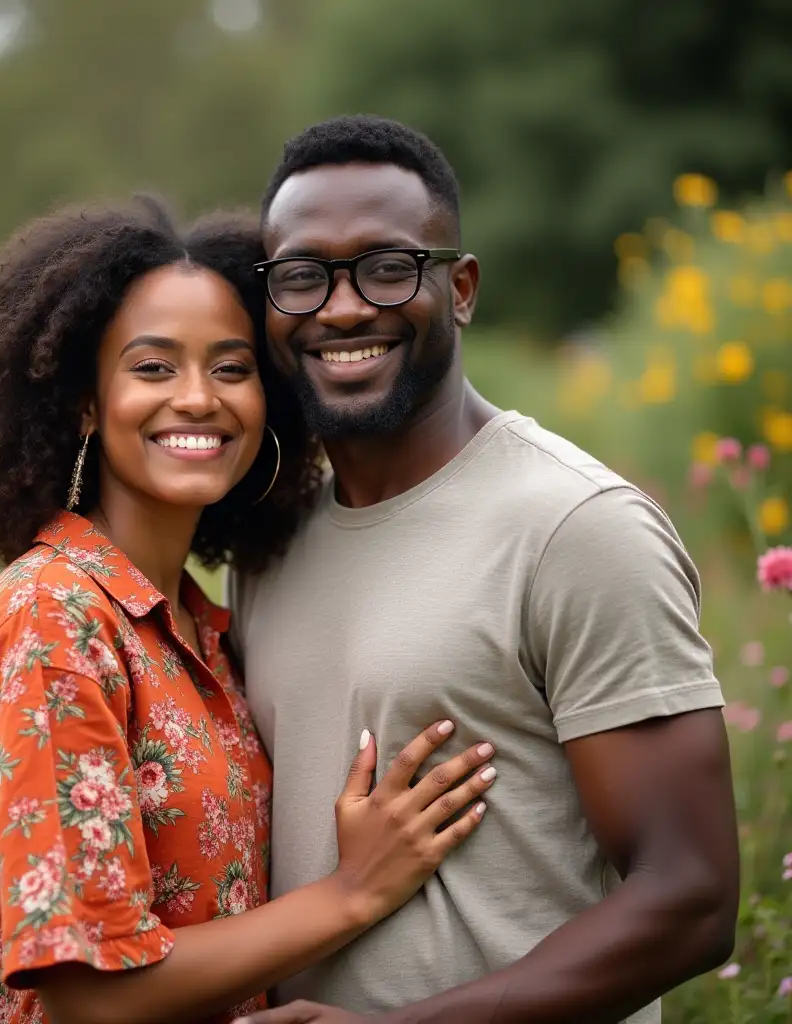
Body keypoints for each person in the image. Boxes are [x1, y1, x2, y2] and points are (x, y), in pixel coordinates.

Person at [0, 197, 500, 1024]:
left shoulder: (193, 624)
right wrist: (352, 893)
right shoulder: (56, 620)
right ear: (85, 403)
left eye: (232, 369)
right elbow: (91, 991)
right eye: (153, 368)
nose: (198, 399)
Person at [228, 115, 740, 1024]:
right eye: (302, 276)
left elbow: (690, 901)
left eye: (387, 267)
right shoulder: (275, 542)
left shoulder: (576, 529)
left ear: (458, 289)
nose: (343, 308)